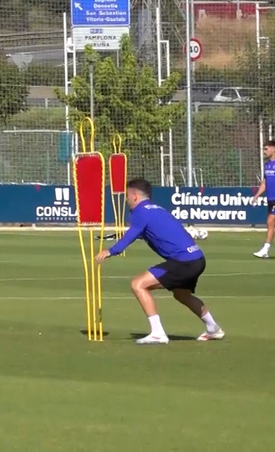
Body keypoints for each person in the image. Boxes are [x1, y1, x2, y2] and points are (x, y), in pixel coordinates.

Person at [96, 178, 224, 344]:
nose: (126, 199)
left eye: (127, 195)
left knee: (138, 284)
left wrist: (111, 251)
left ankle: (157, 333)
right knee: (181, 293)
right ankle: (213, 328)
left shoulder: (140, 212)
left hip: (183, 262)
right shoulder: (157, 209)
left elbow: (130, 236)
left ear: (135, 196)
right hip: (197, 258)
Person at [250, 139, 275, 258]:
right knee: (270, 224)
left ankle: (265, 249)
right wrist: (256, 196)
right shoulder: (267, 165)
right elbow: (264, 183)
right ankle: (265, 250)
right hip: (271, 198)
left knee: (271, 221)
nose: (264, 151)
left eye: (266, 148)